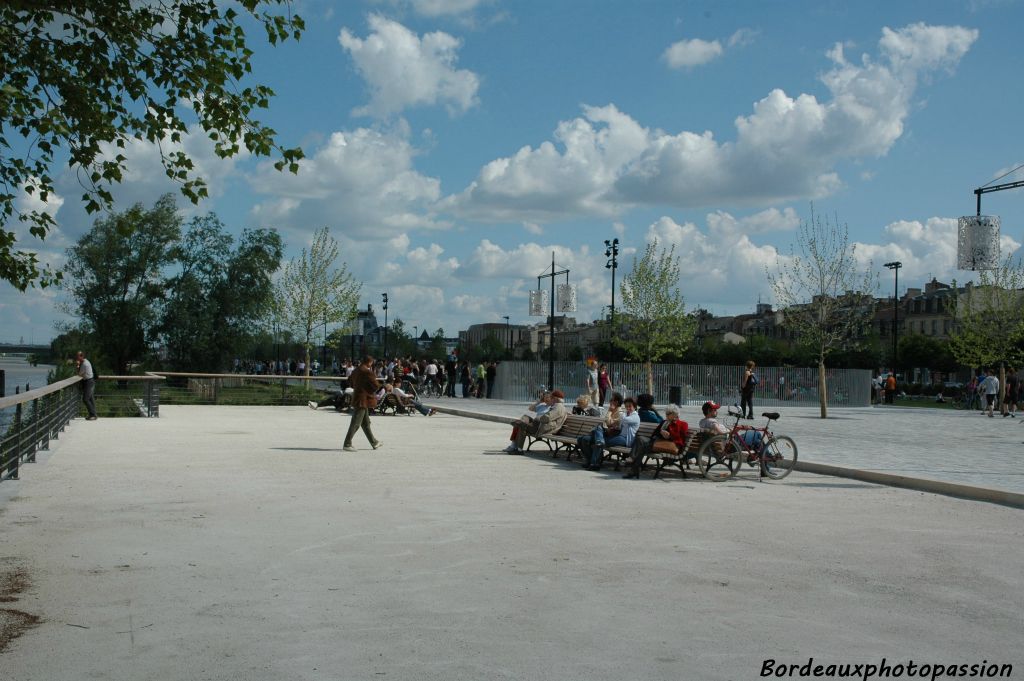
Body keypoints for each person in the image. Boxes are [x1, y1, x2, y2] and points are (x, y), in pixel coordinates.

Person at [624, 403, 688, 479]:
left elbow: (681, 438)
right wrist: (661, 433)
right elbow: (654, 434)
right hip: (656, 443)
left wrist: (669, 436)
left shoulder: (682, 424)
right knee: (640, 439)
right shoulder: (664, 422)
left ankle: (632, 463)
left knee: (641, 445)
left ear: (674, 414)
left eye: (668, 413)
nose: (666, 415)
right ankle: (634, 468)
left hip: (670, 446)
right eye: (666, 413)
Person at [584, 396, 639, 471]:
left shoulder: (635, 416)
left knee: (599, 443)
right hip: (620, 436)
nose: (628, 408)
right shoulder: (627, 414)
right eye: (626, 406)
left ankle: (594, 464)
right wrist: (615, 427)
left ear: (635, 407)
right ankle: (594, 463)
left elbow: (623, 419)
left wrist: (613, 412)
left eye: (630, 406)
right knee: (597, 435)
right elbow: (620, 425)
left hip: (626, 440)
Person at [506, 390, 568, 454]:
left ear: (555, 399)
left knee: (522, 425)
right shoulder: (557, 406)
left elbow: (547, 418)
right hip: (541, 426)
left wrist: (538, 417)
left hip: (545, 428)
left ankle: (518, 449)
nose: (550, 399)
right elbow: (532, 409)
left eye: (551, 397)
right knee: (523, 423)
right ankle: (519, 449)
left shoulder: (558, 407)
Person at [343, 355, 383, 452]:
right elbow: (375, 386)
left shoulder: (356, 370)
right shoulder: (367, 372)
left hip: (357, 397)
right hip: (363, 399)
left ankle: (374, 442)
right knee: (356, 422)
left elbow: (349, 381)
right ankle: (347, 443)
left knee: (365, 423)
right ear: (370, 362)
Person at [75, 351, 97, 420]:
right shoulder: (86, 361)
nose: (77, 358)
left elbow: (79, 374)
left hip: (89, 382)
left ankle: (93, 414)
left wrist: (78, 366)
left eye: (78, 356)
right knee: (90, 398)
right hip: (90, 381)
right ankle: (93, 414)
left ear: (81, 356)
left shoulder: (84, 364)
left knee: (85, 399)